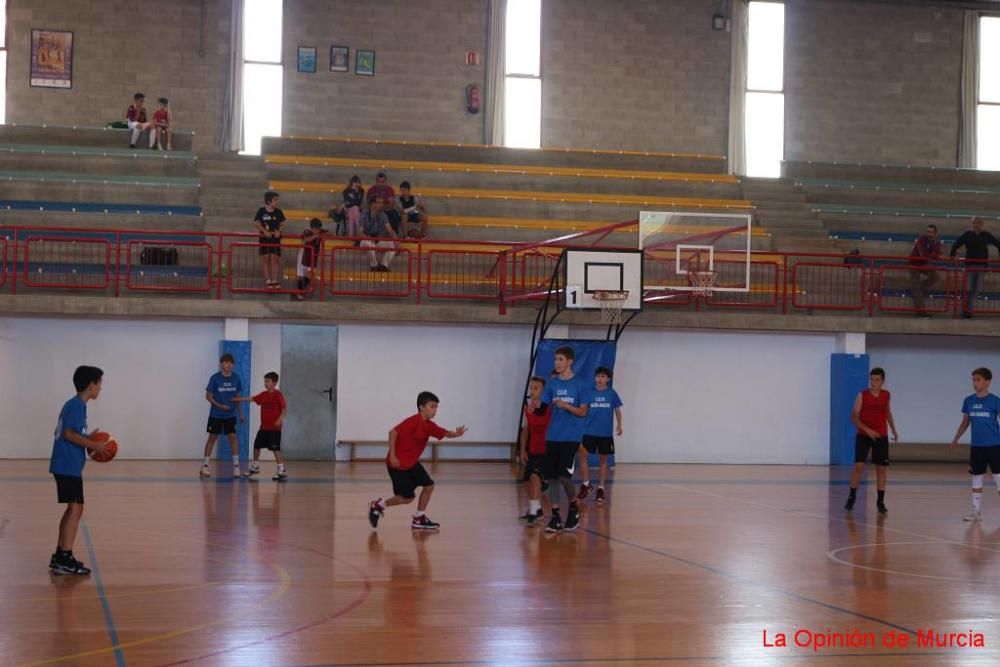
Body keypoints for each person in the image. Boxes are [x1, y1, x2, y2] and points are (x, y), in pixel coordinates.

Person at [368, 391, 468, 530]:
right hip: (397, 465)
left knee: (429, 486)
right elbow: (393, 432)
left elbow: (444, 433)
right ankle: (378, 505)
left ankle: (419, 519)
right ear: (421, 407)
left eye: (436, 407)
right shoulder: (413, 421)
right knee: (407, 498)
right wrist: (392, 455)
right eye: (432, 406)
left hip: (411, 463)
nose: (435, 410)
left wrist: (456, 434)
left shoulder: (429, 425)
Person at [49, 366, 107, 575]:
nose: (100, 388)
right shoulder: (76, 405)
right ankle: (65, 557)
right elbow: (67, 434)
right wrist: (93, 445)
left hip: (66, 464)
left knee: (73, 508)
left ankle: (60, 555)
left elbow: (67, 432)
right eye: (99, 383)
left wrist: (88, 438)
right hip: (67, 464)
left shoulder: (74, 405)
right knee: (76, 508)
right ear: (91, 385)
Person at [539, 346, 589, 533]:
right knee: (551, 477)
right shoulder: (552, 384)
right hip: (553, 435)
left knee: (564, 476)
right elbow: (543, 408)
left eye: (560, 359)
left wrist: (566, 405)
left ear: (570, 361)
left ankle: (574, 507)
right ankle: (556, 516)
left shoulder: (581, 384)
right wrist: (535, 403)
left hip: (571, 436)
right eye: (555, 360)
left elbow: (583, 411)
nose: (557, 363)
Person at [845, 367, 898, 514]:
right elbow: (854, 416)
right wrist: (867, 430)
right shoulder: (862, 395)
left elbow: (887, 412)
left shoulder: (886, 395)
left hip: (881, 436)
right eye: (871, 379)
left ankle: (880, 501)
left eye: (877, 380)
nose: (873, 382)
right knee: (859, 466)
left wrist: (893, 429)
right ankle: (851, 496)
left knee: (881, 469)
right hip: (863, 436)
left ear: (882, 381)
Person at [950, 368, 1000, 522]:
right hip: (977, 447)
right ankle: (976, 511)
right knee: (976, 478)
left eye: (978, 379)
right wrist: (956, 438)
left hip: (994, 446)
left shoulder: (995, 401)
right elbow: (965, 422)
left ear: (988, 382)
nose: (975, 383)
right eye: (973, 380)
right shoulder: (969, 401)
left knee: (999, 478)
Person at [576, 367, 623, 504]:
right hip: (589, 431)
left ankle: (601, 488)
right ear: (595, 378)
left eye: (603, 376)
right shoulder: (588, 393)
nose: (600, 379)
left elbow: (617, 410)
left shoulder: (612, 393)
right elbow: (583, 410)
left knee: (603, 461)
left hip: (605, 433)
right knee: (583, 455)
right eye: (598, 376)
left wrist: (619, 425)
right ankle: (586, 484)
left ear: (608, 379)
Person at [234, 372, 288, 481]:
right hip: (264, 427)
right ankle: (255, 466)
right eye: (265, 381)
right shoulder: (263, 395)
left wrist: (279, 420)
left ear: (275, 382)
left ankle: (281, 470)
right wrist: (238, 399)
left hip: (274, 429)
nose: (265, 383)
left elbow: (284, 409)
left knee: (275, 449)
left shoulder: (278, 394)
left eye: (268, 381)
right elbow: (252, 399)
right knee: (256, 445)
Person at [200, 353, 244, 479]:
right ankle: (205, 466)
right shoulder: (215, 378)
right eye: (226, 362)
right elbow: (208, 396)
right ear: (221, 364)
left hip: (231, 415)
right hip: (216, 414)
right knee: (212, 437)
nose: (228, 365)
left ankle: (236, 467)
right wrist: (220, 406)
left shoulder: (236, 378)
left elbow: (237, 398)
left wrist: (240, 413)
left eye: (231, 363)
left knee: (233, 437)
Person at [950, 217, 1000, 318]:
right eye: (974, 223)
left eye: (978, 223)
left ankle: (967, 310)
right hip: (970, 266)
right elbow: (956, 245)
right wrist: (952, 255)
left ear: (982, 224)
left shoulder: (986, 235)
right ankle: (967, 311)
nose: (976, 225)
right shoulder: (967, 234)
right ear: (972, 224)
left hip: (981, 266)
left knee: (976, 289)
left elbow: (998, 244)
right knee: (968, 289)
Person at [519, 377, 551, 526]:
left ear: (543, 391)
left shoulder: (548, 408)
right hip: (532, 448)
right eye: (531, 387)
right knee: (529, 482)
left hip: (546, 449)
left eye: (536, 388)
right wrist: (522, 449)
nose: (532, 390)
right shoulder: (528, 409)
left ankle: (533, 512)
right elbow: (526, 430)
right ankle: (536, 509)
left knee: (535, 477)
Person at [254, 191, 286, 289]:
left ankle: (275, 280)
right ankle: (268, 280)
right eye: (275, 200)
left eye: (277, 200)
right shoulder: (261, 211)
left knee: (275, 259)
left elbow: (283, 222)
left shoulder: (278, 212)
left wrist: (279, 231)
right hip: (265, 239)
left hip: (275, 239)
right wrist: (264, 231)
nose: (277, 202)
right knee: (266, 258)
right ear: (269, 201)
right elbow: (256, 223)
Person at [908, 224, 941, 317]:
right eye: (928, 232)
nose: (929, 234)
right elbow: (923, 253)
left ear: (935, 233)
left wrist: (935, 250)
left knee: (935, 277)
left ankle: (919, 289)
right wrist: (935, 255)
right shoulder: (921, 239)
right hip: (913, 264)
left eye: (931, 232)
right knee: (916, 288)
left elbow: (938, 253)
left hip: (924, 263)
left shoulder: (936, 242)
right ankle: (921, 312)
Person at [294, 218, 330, 301]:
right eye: (316, 229)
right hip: (304, 255)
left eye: (319, 229)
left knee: (310, 274)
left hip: (314, 256)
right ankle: (299, 291)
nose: (318, 231)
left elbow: (331, 233)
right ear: (312, 228)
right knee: (302, 275)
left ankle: (300, 290)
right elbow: (306, 239)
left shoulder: (320, 231)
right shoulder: (307, 231)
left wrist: (323, 234)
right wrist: (316, 236)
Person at [361, 197, 400, 272]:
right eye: (379, 202)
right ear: (372, 204)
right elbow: (359, 231)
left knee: (393, 244)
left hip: (378, 240)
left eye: (382, 202)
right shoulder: (364, 214)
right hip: (366, 240)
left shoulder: (383, 215)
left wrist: (396, 240)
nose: (382, 204)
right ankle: (374, 265)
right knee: (369, 243)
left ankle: (384, 266)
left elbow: (390, 230)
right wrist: (367, 237)